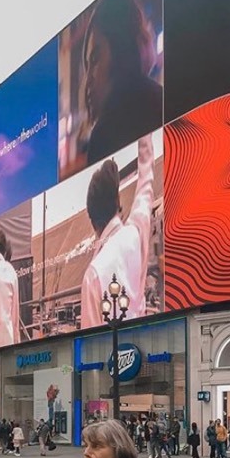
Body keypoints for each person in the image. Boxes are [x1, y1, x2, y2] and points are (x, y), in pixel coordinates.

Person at [80, 134, 156, 331]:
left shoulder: (93, 273)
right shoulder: (135, 233)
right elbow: (145, 186)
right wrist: (145, 132)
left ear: (92, 220)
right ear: (117, 203)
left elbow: (90, 344)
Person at [82, 0, 163, 166]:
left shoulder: (105, 132)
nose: (88, 80)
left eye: (95, 59)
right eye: (87, 66)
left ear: (120, 45)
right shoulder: (161, 98)